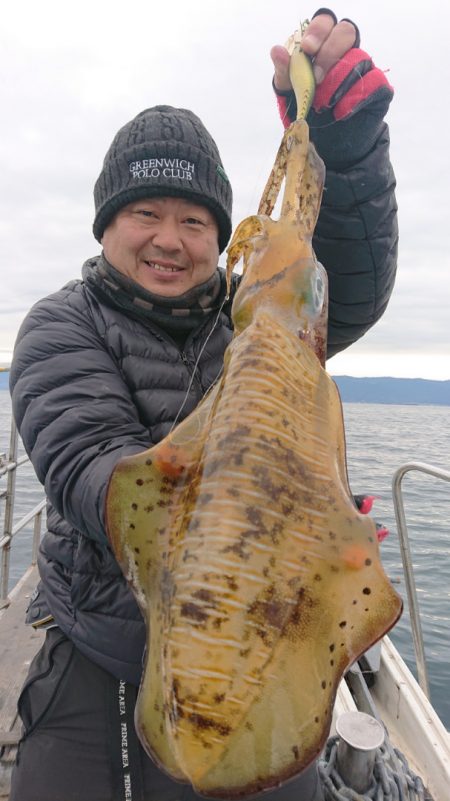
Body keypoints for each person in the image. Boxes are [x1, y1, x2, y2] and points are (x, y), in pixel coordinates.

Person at [9, 9, 398, 801]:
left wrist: (343, 148)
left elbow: (344, 286)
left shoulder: (257, 318)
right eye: (144, 214)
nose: (169, 239)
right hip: (106, 645)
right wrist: (265, 509)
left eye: (193, 221)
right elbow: (90, 470)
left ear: (221, 238)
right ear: (107, 225)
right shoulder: (61, 325)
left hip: (266, 641)